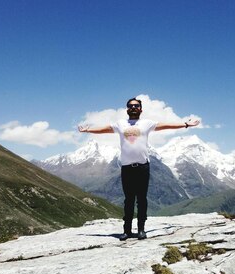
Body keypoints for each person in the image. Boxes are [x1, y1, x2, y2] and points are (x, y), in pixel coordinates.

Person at [78, 98, 199, 240]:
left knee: (142, 199)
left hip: (142, 167)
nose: (133, 107)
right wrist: (88, 130)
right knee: (128, 200)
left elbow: (165, 125)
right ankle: (127, 230)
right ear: (127, 109)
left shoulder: (147, 123)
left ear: (141, 109)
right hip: (126, 168)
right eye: (130, 106)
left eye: (136, 106)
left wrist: (185, 124)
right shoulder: (120, 124)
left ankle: (141, 229)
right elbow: (104, 129)